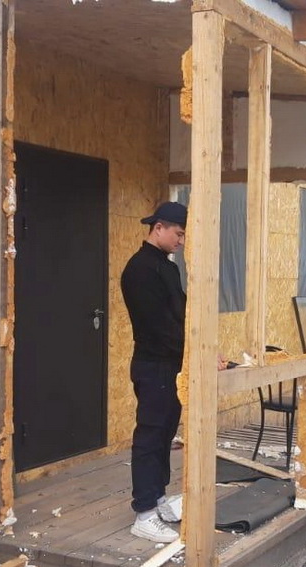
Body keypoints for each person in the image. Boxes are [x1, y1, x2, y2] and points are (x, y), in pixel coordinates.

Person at [120, 202, 189, 542]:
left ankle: (159, 498)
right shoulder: (140, 270)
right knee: (150, 436)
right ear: (158, 228)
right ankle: (144, 513)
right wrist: (192, 352)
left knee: (165, 434)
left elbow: (183, 316)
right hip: (153, 364)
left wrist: (205, 349)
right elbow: (158, 327)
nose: (181, 241)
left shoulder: (168, 268)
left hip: (172, 363)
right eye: (178, 233)